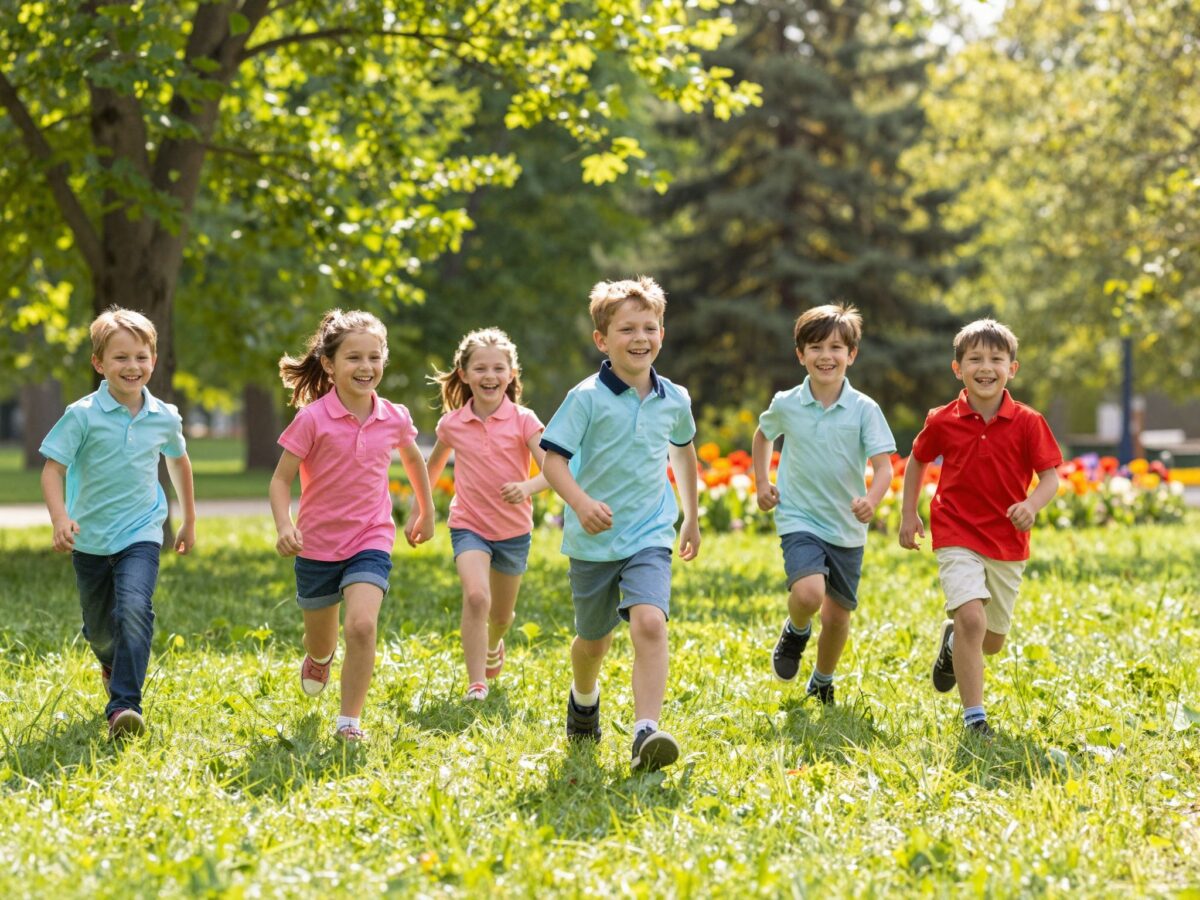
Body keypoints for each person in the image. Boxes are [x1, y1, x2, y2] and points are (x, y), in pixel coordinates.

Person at [540, 276, 700, 773]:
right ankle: (583, 698)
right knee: (593, 640)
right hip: (593, 540)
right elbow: (552, 462)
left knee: (649, 623)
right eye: (626, 328)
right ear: (602, 340)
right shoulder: (585, 397)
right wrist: (580, 503)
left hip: (649, 532)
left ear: (662, 335)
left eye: (649, 327)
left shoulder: (674, 398)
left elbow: (685, 450)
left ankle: (645, 731)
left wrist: (691, 514)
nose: (640, 338)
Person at [270, 309, 435, 743]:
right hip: (317, 545)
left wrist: (426, 510)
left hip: (372, 537)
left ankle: (349, 722)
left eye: (374, 357)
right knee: (320, 639)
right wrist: (284, 525)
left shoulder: (394, 416)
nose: (366, 368)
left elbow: (414, 459)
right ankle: (319, 658)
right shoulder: (312, 418)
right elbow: (280, 479)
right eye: (354, 358)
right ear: (329, 364)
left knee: (361, 625)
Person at [899, 318, 1061, 740]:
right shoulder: (942, 419)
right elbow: (917, 460)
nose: (985, 366)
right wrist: (908, 513)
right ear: (958, 369)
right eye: (974, 359)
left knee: (990, 641)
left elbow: (1050, 478)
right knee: (972, 617)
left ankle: (953, 643)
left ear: (1013, 368)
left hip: (1007, 541)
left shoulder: (1029, 421)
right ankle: (975, 718)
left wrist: (1031, 504)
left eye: (996, 359)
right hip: (956, 530)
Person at [40, 307, 196, 740]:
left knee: (133, 608)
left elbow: (179, 463)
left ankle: (124, 705)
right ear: (99, 364)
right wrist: (60, 520)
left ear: (154, 359)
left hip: (141, 532)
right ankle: (110, 660)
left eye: (142, 357)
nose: (133, 366)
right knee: (99, 628)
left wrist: (188, 521)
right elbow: (52, 470)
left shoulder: (164, 415)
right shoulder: (82, 415)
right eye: (121, 358)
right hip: (89, 538)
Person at [752, 303, 895, 705]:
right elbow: (764, 436)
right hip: (799, 516)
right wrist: (763, 482)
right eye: (815, 347)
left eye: (836, 347)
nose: (826, 356)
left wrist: (871, 499)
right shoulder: (787, 403)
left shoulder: (865, 409)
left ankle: (822, 679)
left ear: (851, 354)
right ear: (800, 355)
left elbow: (884, 467)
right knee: (810, 595)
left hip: (846, 525)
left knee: (836, 616)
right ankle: (796, 630)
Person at [426, 328, 549, 701]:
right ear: (463, 374)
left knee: (500, 616)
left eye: (499, 368)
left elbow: (555, 472)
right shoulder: (452, 424)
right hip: (469, 525)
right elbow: (430, 469)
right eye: (480, 368)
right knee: (477, 598)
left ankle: (495, 642)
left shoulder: (524, 420)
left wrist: (527, 487)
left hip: (513, 531)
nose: (490, 376)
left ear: (512, 374)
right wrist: (421, 509)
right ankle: (476, 683)